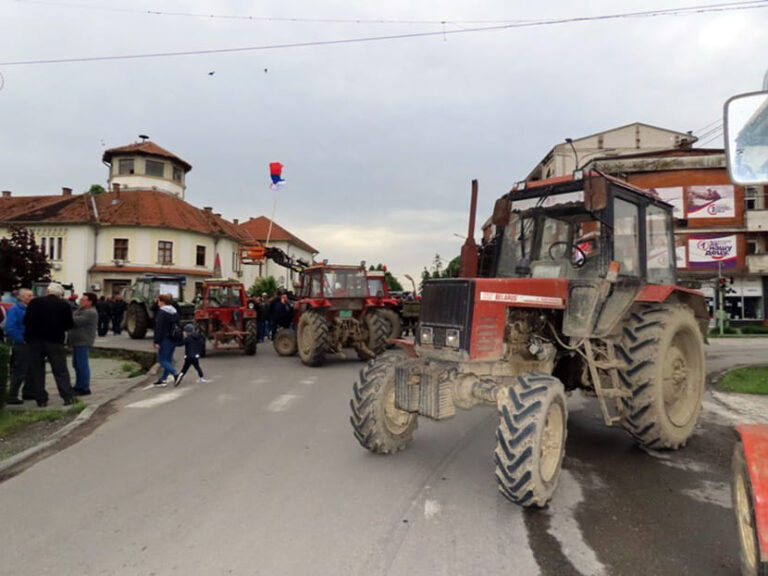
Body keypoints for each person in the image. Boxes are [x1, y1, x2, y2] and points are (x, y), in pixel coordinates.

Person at [24, 282, 76, 407]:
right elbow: (69, 324)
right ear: (60, 294)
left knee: (37, 370)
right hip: (55, 341)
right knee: (60, 370)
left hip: (34, 341)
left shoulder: (35, 303)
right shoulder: (64, 305)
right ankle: (67, 397)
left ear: (47, 291)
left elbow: (26, 321)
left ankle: (41, 399)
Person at [5, 288, 34, 404]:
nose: (31, 298)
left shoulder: (30, 309)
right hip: (21, 343)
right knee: (20, 370)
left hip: (30, 342)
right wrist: (21, 340)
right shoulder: (15, 309)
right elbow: (10, 327)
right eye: (28, 296)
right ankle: (12, 395)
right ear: (20, 297)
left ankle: (28, 392)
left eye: (32, 295)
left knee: (30, 369)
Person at [69, 292, 98, 396]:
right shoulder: (80, 310)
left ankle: (84, 387)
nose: (81, 301)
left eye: (83, 300)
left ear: (90, 302)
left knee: (82, 365)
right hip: (77, 341)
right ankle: (78, 385)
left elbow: (74, 321)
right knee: (76, 364)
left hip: (83, 341)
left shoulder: (90, 312)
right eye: (81, 299)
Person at [152, 293, 180, 387]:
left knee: (162, 360)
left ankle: (175, 374)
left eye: (158, 301)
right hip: (174, 338)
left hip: (165, 338)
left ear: (162, 302)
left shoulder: (161, 313)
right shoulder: (174, 311)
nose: (157, 303)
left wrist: (156, 341)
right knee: (168, 359)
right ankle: (163, 379)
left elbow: (158, 328)